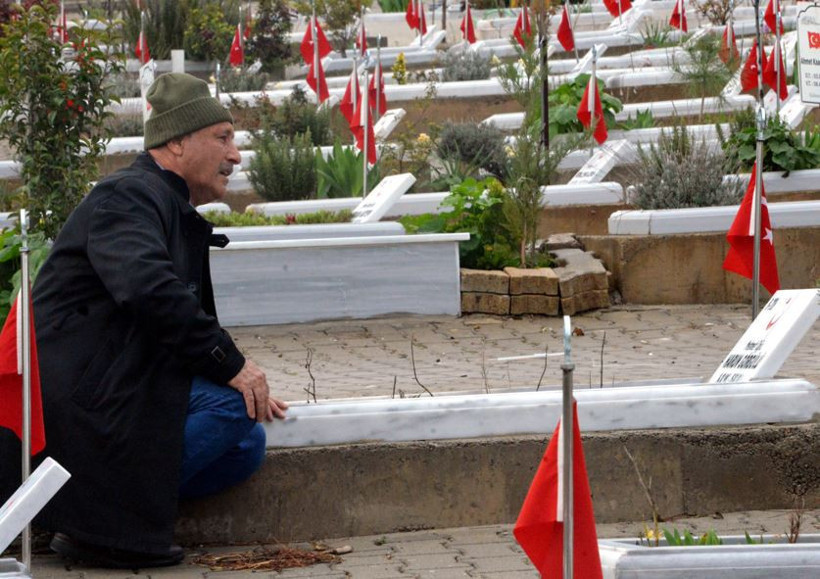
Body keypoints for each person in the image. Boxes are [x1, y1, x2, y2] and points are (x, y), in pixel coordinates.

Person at [30, 73, 288, 569]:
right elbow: (149, 291)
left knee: (246, 444)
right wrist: (231, 367)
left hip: (118, 380)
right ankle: (98, 524)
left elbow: (169, 312)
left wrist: (226, 375)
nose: (235, 155)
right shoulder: (127, 197)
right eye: (222, 138)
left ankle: (101, 507)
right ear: (175, 141)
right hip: (84, 395)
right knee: (232, 409)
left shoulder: (161, 199)